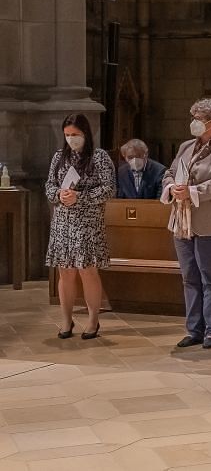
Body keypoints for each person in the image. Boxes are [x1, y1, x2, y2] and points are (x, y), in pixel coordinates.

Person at [162, 98, 211, 349]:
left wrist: (192, 191)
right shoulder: (186, 146)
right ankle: (194, 329)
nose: (193, 122)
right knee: (189, 277)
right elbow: (169, 173)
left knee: (210, 278)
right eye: (192, 117)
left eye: (198, 118)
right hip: (182, 221)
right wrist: (173, 187)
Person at [45, 114, 116, 340]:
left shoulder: (99, 157)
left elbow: (109, 189)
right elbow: (48, 185)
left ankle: (93, 320)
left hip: (88, 222)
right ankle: (66, 320)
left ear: (85, 133)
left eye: (75, 135)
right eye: (67, 135)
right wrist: (59, 193)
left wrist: (80, 197)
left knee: (87, 271)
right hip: (63, 222)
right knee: (65, 272)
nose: (71, 139)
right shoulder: (59, 157)